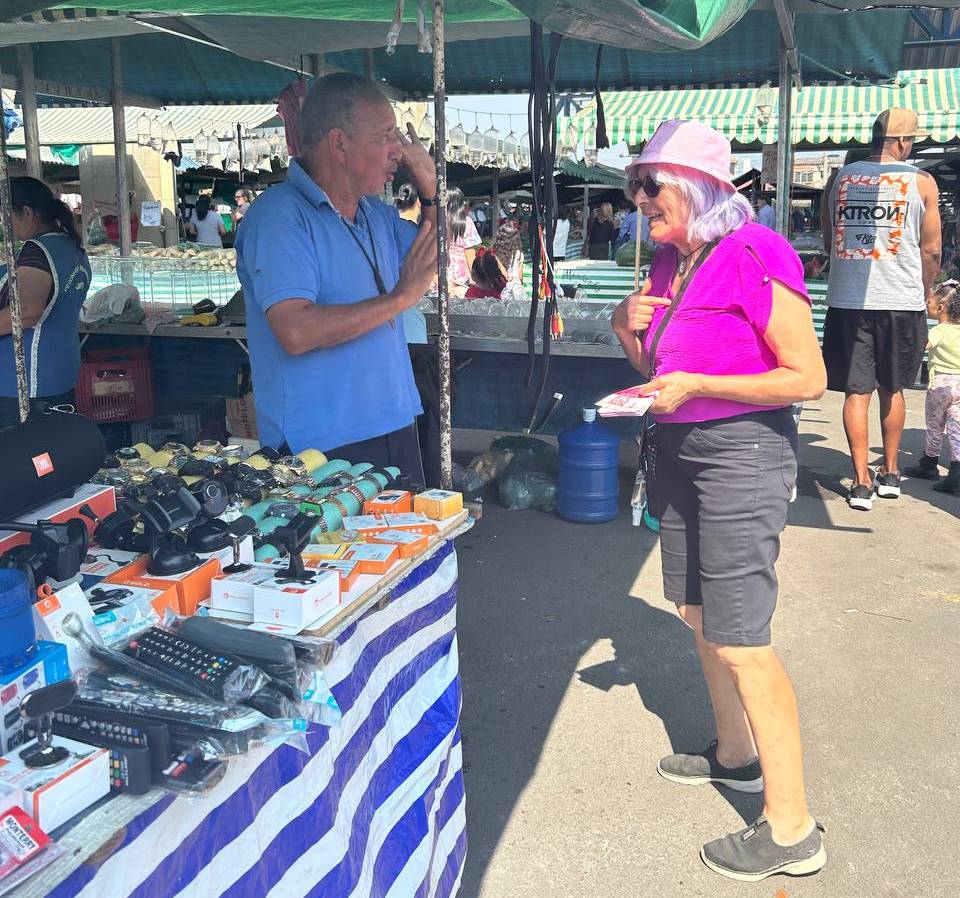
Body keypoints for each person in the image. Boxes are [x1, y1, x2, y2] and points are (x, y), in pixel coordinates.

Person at [611, 119, 827, 882]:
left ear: (698, 187)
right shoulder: (673, 259)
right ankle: (735, 755)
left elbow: (808, 377)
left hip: (742, 454)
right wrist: (625, 329)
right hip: (678, 450)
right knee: (696, 613)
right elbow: (657, 369)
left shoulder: (754, 251)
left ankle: (793, 829)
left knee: (741, 637)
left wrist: (700, 384)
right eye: (635, 188)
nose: (639, 201)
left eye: (650, 186)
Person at [235, 73, 438, 481]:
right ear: (339, 144)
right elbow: (295, 330)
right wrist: (399, 299)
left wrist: (430, 191)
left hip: (394, 422)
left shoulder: (375, 214)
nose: (398, 151)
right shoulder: (279, 217)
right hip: (322, 445)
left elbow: (437, 256)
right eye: (384, 137)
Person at [822, 107, 941, 510]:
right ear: (904, 141)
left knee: (856, 392)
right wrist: (925, 291)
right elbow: (932, 250)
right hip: (901, 300)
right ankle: (890, 474)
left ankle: (860, 482)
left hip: (848, 300)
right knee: (893, 387)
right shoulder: (922, 182)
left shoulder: (839, 179)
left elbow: (829, 240)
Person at [0, 177, 91, 428]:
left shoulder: (37, 250)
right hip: (59, 376)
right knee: (53, 450)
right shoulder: (72, 247)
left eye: (7, 216)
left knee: (23, 451)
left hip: (26, 385)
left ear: (27, 213)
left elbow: (27, 311)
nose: (6, 225)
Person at [903, 280, 960, 494]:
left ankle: (929, 463)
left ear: (941, 308)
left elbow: (922, 346)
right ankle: (956, 473)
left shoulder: (940, 330)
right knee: (956, 429)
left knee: (935, 426)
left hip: (941, 386)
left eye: (929, 302)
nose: (927, 305)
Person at [446, 187, 482, 297]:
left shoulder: (437, 221)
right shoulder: (467, 222)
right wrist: (474, 278)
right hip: (460, 275)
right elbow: (469, 252)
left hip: (440, 271)